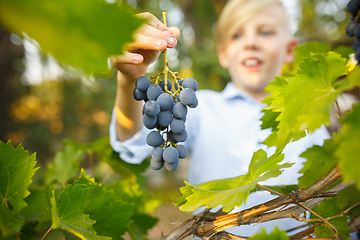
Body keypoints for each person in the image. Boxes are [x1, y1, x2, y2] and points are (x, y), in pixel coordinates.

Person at [109, 0, 330, 237]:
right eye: (237, 35)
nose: (251, 43)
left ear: (290, 50)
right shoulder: (201, 107)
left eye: (265, 32)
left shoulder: (313, 119)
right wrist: (129, 80)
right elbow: (133, 140)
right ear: (223, 54)